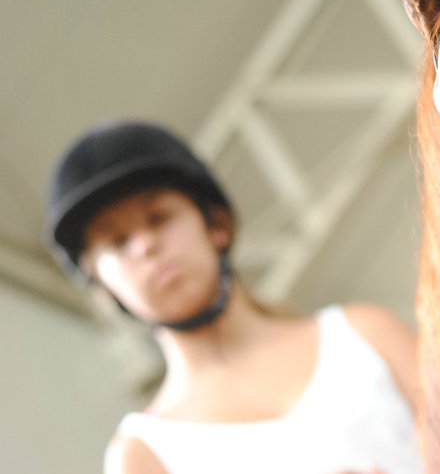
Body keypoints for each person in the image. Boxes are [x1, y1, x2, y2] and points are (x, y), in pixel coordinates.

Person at [45, 119, 421, 474]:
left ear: (216, 225)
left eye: (159, 217)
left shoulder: (365, 334)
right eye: (117, 241)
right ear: (101, 287)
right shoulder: (143, 454)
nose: (145, 246)